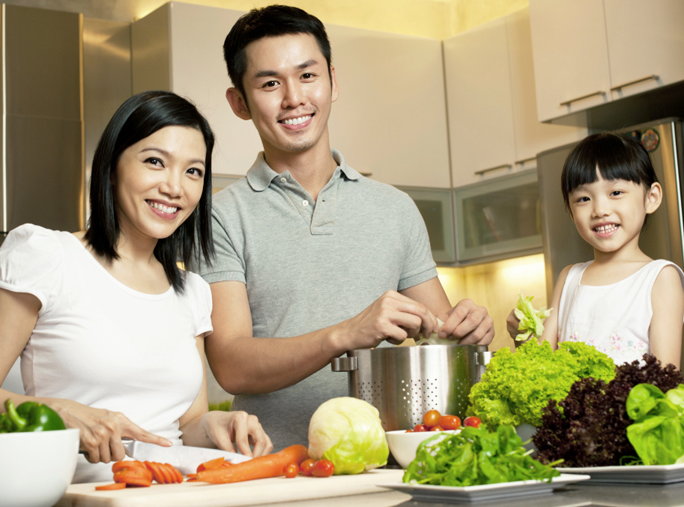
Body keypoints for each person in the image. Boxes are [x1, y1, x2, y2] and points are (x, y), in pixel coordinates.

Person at [193, 5, 494, 450]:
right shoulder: (219, 217)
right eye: (270, 83)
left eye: (307, 75)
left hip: (399, 465)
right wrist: (345, 335)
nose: (293, 97)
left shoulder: (396, 208)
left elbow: (436, 332)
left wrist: (467, 331)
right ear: (239, 102)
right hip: (280, 469)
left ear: (333, 80)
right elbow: (232, 364)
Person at [0, 90, 272, 483]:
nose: (175, 187)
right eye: (155, 162)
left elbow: (188, 424)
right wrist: (58, 412)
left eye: (193, 171)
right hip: (77, 496)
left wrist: (222, 423)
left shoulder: (192, 291)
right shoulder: (48, 256)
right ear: (113, 166)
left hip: (169, 495)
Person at [506, 132, 684, 367]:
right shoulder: (569, 278)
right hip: (569, 405)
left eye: (615, 193)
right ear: (570, 211)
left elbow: (665, 377)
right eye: (583, 199)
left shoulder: (660, 277)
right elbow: (541, 367)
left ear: (651, 197)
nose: (600, 210)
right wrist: (523, 337)